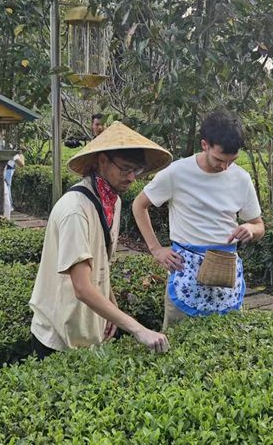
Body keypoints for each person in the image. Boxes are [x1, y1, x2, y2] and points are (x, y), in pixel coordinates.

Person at [30, 121, 172, 355]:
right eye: (125, 169)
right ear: (102, 161)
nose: (131, 178)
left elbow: (100, 263)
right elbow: (82, 287)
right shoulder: (75, 210)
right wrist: (139, 329)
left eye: (135, 171)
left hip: (87, 328)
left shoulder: (112, 201)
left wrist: (111, 307)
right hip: (58, 335)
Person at [132, 111, 265, 329]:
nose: (225, 167)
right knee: (178, 341)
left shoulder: (241, 178)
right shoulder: (177, 172)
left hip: (225, 272)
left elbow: (260, 225)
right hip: (185, 270)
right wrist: (156, 249)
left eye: (232, 161)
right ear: (205, 144)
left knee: (227, 342)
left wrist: (250, 228)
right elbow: (139, 205)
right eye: (220, 160)